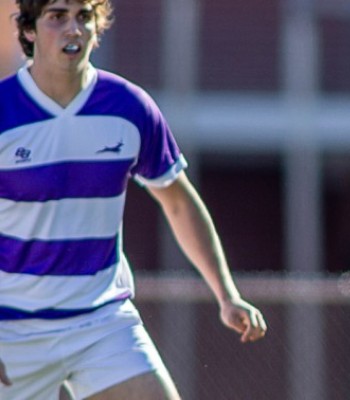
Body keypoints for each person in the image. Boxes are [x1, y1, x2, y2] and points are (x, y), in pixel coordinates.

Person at [0, 1, 267, 399]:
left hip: (101, 323)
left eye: (84, 17)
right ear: (30, 31)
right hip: (12, 329)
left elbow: (178, 202)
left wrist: (226, 295)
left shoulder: (129, 107)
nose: (73, 29)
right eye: (57, 16)